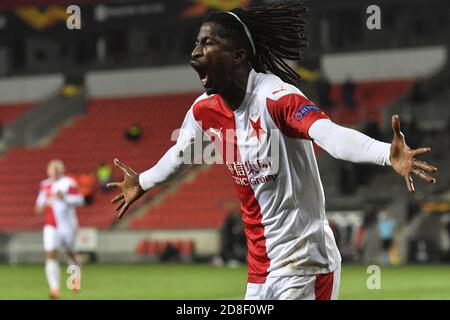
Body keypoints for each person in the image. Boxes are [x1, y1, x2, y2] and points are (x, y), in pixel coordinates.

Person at [107, 2, 437, 300]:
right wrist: (144, 182)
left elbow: (329, 135)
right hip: (261, 269)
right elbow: (180, 155)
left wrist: (385, 153)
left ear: (237, 56)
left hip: (305, 262)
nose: (195, 52)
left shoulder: (276, 99)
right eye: (196, 43)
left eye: (207, 43)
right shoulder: (203, 111)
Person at [35, 160, 84, 299]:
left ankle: (75, 278)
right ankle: (54, 289)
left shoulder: (69, 182)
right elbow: (38, 205)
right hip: (51, 225)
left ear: (62, 170)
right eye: (52, 169)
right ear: (48, 170)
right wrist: (43, 204)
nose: (54, 171)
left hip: (68, 225)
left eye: (57, 169)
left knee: (71, 254)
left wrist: (65, 197)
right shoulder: (44, 185)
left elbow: (80, 200)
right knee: (50, 254)